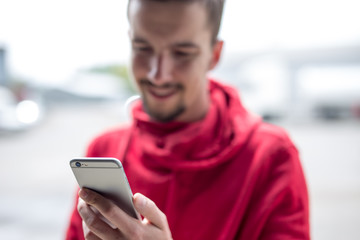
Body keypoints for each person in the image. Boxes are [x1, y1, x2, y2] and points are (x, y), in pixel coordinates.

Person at [65, 0, 310, 239]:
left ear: (214, 55)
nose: (158, 74)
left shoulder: (271, 157)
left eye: (182, 53)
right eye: (143, 48)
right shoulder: (104, 149)